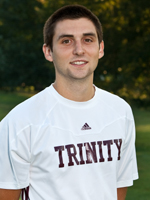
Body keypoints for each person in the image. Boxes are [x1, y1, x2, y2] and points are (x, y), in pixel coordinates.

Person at [0, 4, 138, 200]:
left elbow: (117, 189)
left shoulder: (120, 111)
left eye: (88, 40)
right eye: (66, 41)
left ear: (100, 49)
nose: (79, 50)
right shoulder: (20, 122)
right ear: (48, 52)